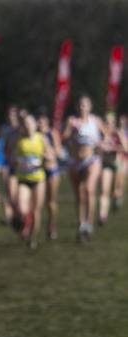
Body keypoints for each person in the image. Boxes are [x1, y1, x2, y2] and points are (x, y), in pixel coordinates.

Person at [9, 111, 54, 248]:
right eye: (25, 124)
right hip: (23, 178)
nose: (28, 126)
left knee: (36, 210)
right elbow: (11, 157)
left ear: (35, 125)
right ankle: (24, 225)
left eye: (30, 123)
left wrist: (43, 158)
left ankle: (33, 237)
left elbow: (52, 156)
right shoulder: (19, 140)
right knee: (22, 208)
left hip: (38, 178)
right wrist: (18, 161)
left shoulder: (42, 139)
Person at [63, 94, 105, 241]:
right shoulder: (72, 121)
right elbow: (64, 137)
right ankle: (81, 223)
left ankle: (90, 223)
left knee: (89, 189)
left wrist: (100, 143)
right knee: (79, 195)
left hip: (91, 160)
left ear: (90, 107)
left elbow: (107, 136)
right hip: (75, 161)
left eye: (85, 104)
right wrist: (72, 131)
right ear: (77, 107)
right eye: (80, 105)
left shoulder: (95, 121)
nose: (82, 107)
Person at [97, 111, 127, 226]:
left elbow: (126, 148)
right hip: (106, 164)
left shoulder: (118, 133)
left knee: (116, 190)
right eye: (107, 121)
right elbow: (97, 147)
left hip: (119, 163)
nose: (109, 124)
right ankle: (102, 215)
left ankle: (117, 197)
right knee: (104, 190)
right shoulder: (100, 133)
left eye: (111, 122)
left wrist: (111, 148)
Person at [37, 111, 63, 240]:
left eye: (42, 121)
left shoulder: (52, 134)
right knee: (37, 202)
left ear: (46, 122)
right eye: (38, 121)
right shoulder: (34, 134)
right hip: (38, 171)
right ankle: (33, 226)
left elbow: (59, 153)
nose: (39, 124)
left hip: (52, 170)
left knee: (51, 202)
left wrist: (48, 153)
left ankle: (51, 225)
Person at [0, 105, 21, 228]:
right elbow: (4, 147)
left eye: (13, 114)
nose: (10, 116)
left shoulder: (21, 129)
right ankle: (9, 215)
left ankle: (17, 214)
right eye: (9, 114)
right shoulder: (4, 129)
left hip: (19, 165)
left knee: (15, 193)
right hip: (7, 163)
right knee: (7, 191)